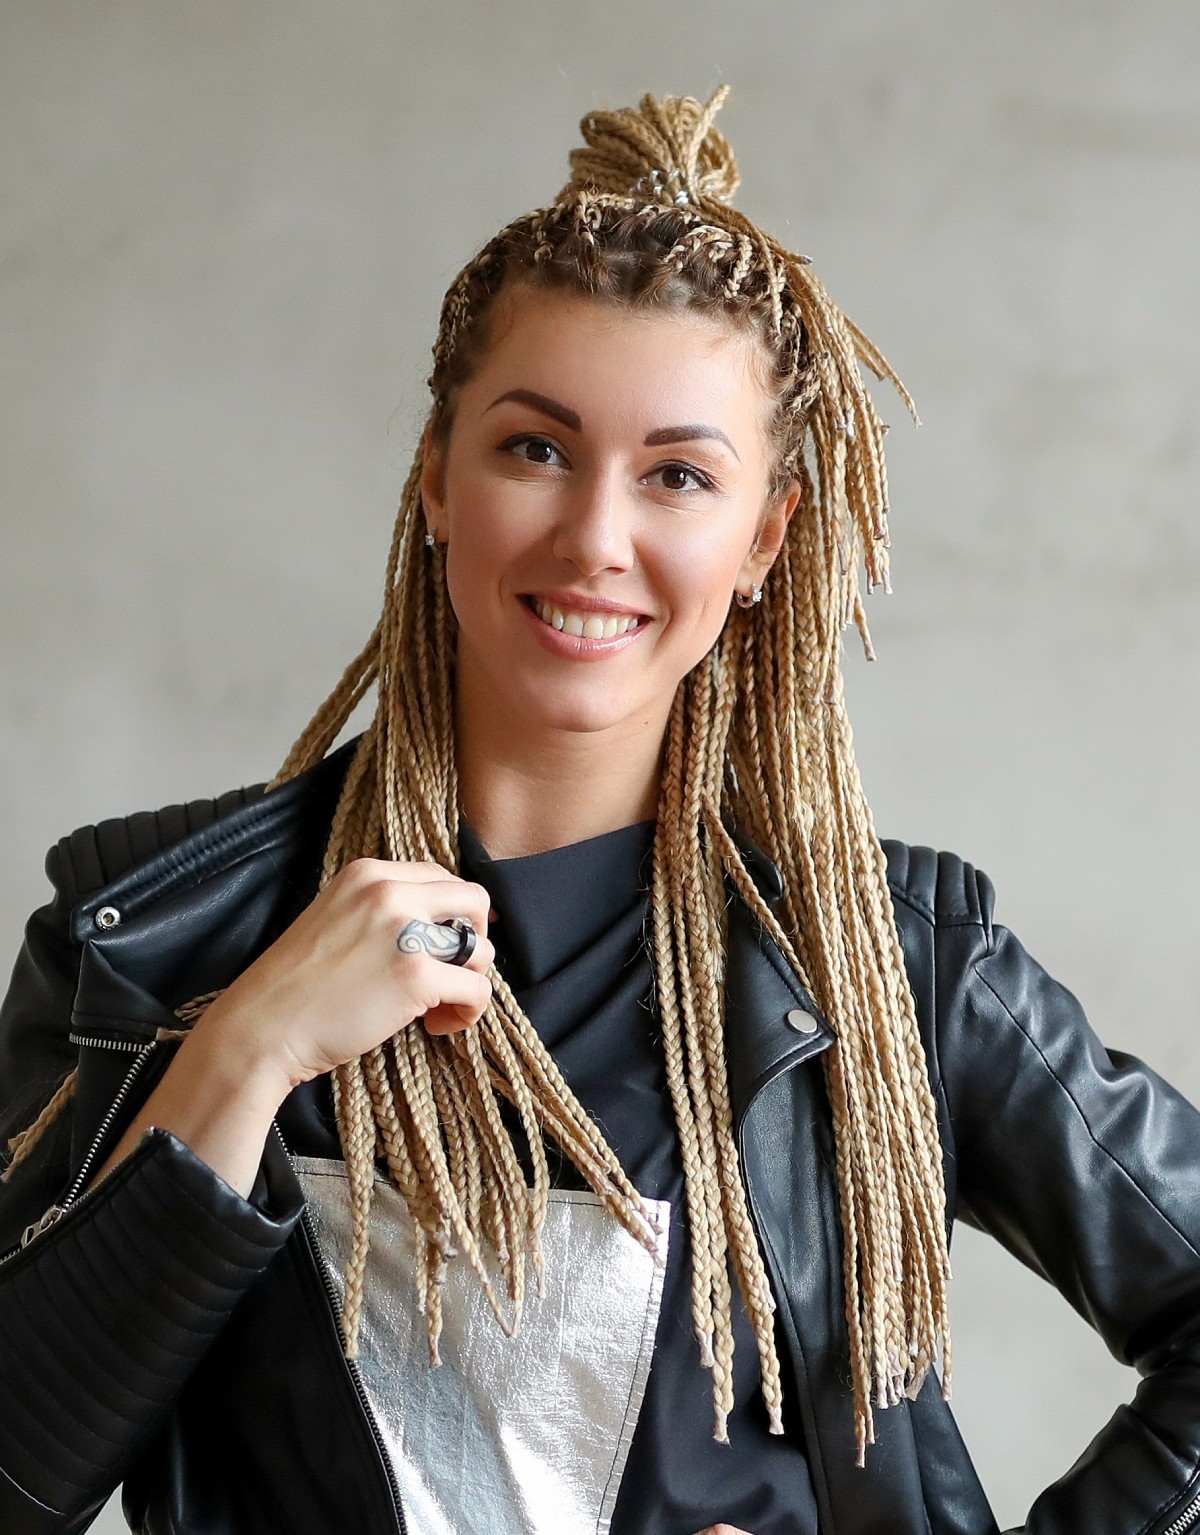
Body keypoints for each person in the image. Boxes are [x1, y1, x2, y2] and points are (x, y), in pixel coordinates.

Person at [1, 84, 1199, 1535]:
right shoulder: (158, 939)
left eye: (680, 475)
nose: (595, 539)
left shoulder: (892, 964)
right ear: (436, 478)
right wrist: (244, 1051)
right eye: (534, 449)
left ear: (763, 542)